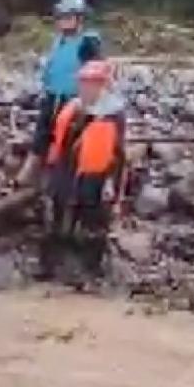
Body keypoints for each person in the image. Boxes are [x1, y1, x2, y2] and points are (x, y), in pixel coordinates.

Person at [30, 59, 126, 284]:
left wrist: (112, 183)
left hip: (96, 173)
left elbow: (118, 153)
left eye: (91, 84)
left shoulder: (113, 114)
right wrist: (51, 170)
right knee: (56, 213)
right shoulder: (73, 108)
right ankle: (49, 266)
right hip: (67, 168)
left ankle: (90, 271)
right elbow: (60, 142)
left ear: (102, 85)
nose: (85, 88)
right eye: (83, 83)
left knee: (92, 220)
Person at [25, 0, 103, 177]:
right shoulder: (58, 42)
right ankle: (30, 173)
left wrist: (86, 101)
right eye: (61, 18)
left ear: (79, 19)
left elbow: (97, 72)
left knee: (67, 138)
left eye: (69, 18)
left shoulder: (88, 43)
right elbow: (50, 69)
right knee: (41, 135)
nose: (64, 22)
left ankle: (62, 176)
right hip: (53, 96)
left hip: (74, 100)